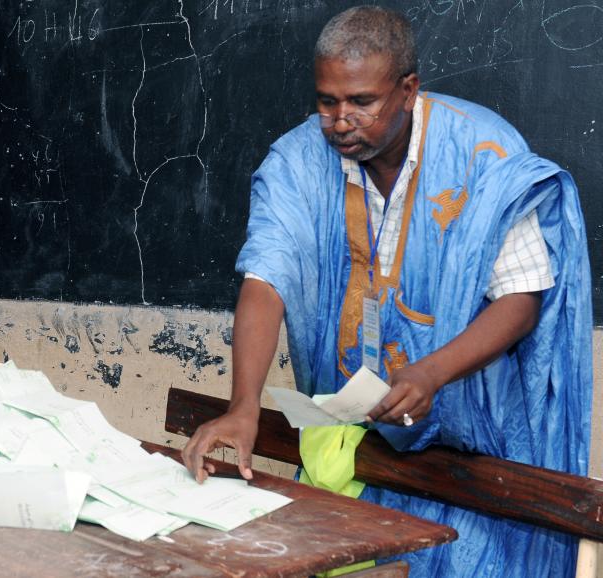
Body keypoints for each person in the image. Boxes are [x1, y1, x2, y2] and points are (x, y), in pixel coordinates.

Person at [181, 6, 591, 577]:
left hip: (469, 442)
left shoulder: (486, 154)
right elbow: (265, 279)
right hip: (359, 442)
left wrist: (431, 374)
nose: (341, 120)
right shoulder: (298, 161)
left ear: (407, 90)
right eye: (327, 101)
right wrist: (244, 405)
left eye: (362, 102)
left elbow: (522, 298)